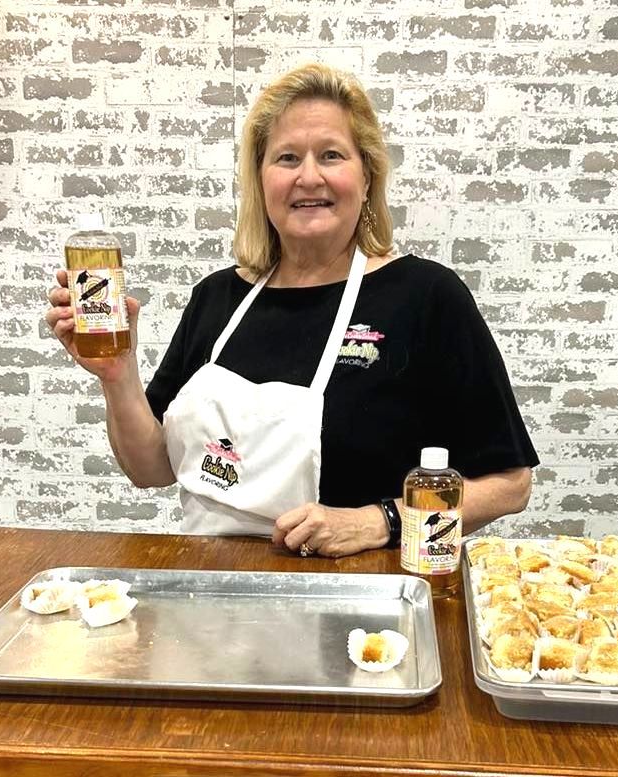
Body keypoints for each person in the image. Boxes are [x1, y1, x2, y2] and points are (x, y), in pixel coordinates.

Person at [46, 63, 538, 558]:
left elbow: (510, 484)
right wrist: (117, 375)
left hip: (363, 612)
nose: (308, 176)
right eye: (286, 158)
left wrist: (380, 521)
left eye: (330, 155)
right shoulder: (216, 298)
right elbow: (150, 469)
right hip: (211, 595)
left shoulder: (426, 296)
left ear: (367, 177)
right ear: (261, 181)